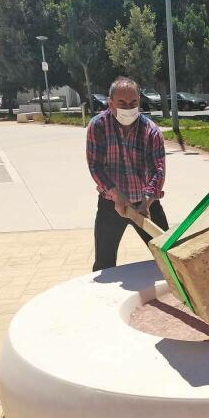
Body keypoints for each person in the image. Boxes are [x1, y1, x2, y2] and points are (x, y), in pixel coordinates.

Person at [86, 76, 168, 271]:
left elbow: (158, 170)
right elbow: (95, 166)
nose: (128, 107)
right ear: (110, 102)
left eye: (133, 103)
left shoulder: (151, 130)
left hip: (146, 205)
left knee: (168, 255)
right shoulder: (98, 126)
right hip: (111, 205)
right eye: (122, 103)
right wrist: (117, 196)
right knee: (104, 265)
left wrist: (146, 202)